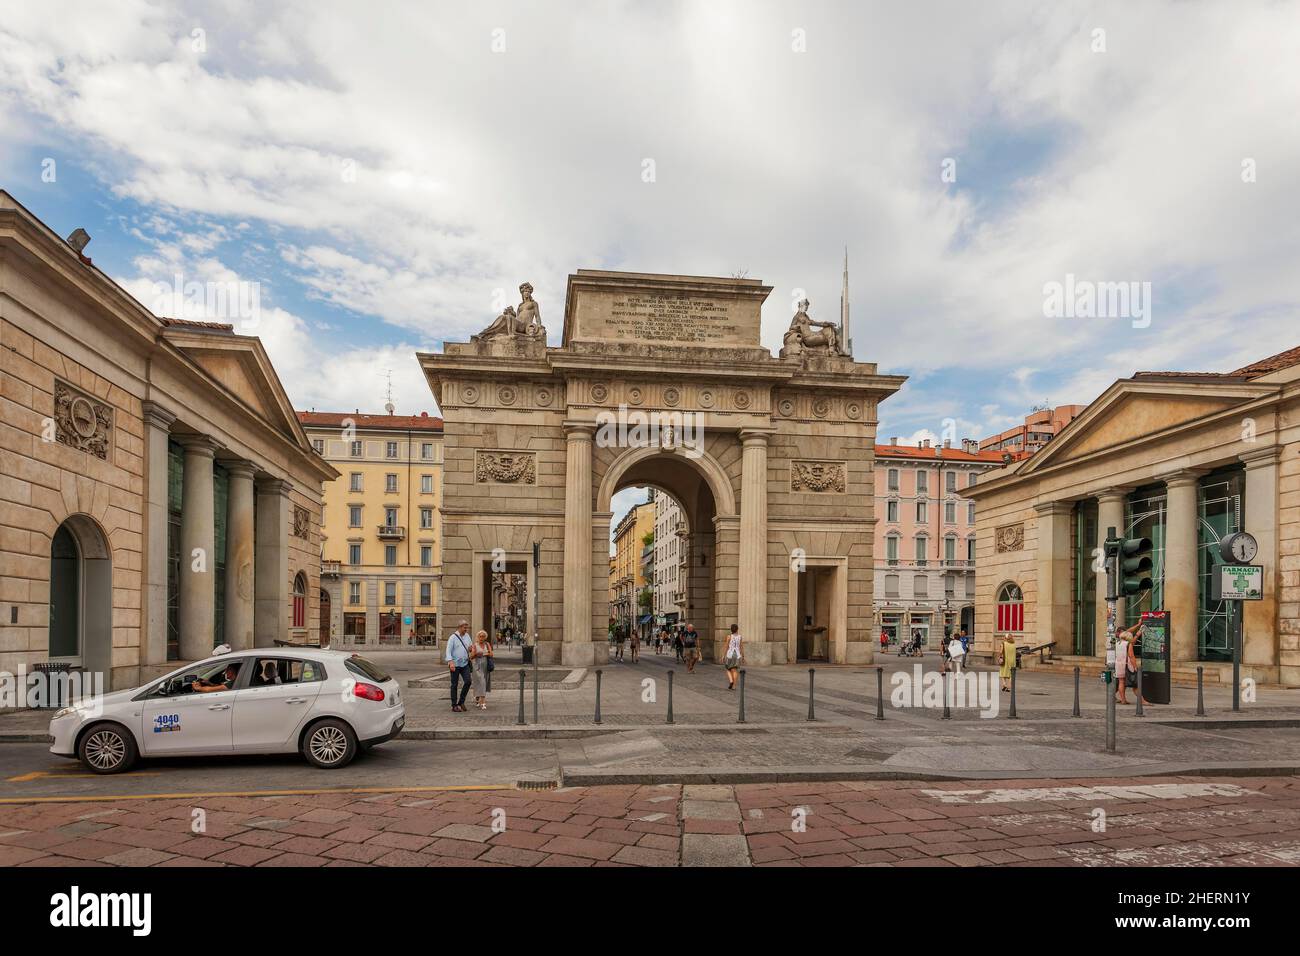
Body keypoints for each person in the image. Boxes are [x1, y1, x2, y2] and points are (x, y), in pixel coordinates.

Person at [445, 620, 474, 713]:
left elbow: (470, 647)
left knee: (468, 681)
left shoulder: (467, 636)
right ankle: (454, 705)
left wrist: (470, 649)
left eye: (467, 627)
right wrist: (450, 662)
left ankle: (461, 702)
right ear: (460, 627)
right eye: (465, 627)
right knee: (454, 685)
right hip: (455, 664)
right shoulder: (453, 637)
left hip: (465, 663)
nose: (466, 629)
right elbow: (448, 651)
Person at [470, 629, 494, 711]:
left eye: (483, 636)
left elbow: (491, 654)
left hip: (485, 665)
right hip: (477, 666)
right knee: (481, 682)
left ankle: (477, 697)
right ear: (478, 637)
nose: (481, 638)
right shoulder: (474, 645)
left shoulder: (487, 644)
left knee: (482, 682)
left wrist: (484, 653)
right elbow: (471, 657)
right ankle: (483, 702)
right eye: (480, 636)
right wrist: (476, 654)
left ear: (485, 637)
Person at [723, 624, 744, 689]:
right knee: (735, 670)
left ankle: (731, 681)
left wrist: (723, 655)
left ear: (731, 630)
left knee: (727, 668)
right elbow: (741, 647)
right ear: (737, 629)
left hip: (730, 654)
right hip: (737, 655)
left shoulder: (729, 637)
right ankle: (734, 686)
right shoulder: (740, 637)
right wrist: (743, 656)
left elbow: (726, 646)